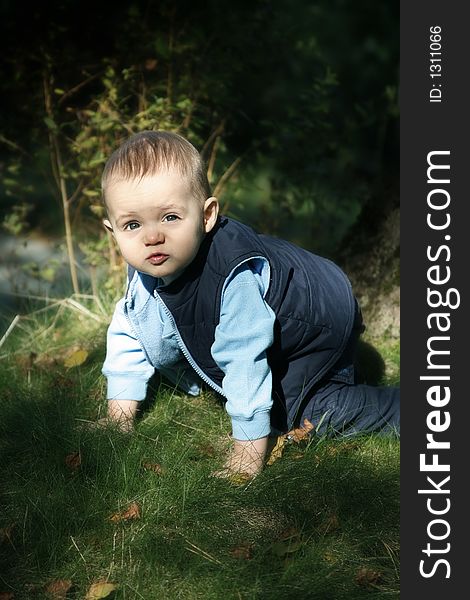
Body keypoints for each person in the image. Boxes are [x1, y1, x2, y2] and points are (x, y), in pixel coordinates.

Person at [100, 130, 400, 477]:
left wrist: (247, 452)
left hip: (320, 324)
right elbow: (130, 332)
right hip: (295, 311)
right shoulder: (149, 263)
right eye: (133, 224)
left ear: (207, 215)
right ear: (114, 230)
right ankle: (341, 372)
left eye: (170, 217)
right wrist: (118, 419)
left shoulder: (232, 275)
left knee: (300, 415)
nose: (152, 236)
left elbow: (245, 362)